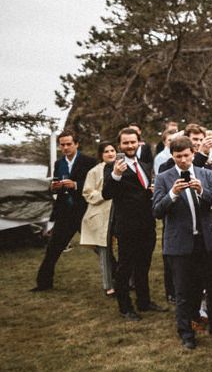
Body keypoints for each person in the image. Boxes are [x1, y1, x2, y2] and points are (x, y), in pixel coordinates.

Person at [152, 136, 212, 349]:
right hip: (180, 243)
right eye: (178, 156)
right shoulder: (163, 177)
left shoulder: (207, 174)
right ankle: (186, 334)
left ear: (193, 152)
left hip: (206, 241)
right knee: (183, 291)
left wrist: (202, 191)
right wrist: (172, 194)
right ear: (172, 156)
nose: (183, 160)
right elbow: (157, 211)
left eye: (186, 155)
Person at [102, 127, 163, 320]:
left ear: (139, 143)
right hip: (127, 226)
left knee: (143, 266)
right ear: (120, 145)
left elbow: (143, 191)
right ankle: (125, 307)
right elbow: (106, 194)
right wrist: (116, 175)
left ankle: (144, 302)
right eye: (125, 143)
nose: (129, 146)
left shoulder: (145, 165)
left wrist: (152, 192)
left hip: (147, 224)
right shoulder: (112, 167)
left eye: (133, 142)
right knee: (125, 268)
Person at [33, 130, 96, 292]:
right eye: (62, 145)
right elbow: (56, 185)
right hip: (64, 214)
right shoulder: (58, 164)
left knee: (100, 248)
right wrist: (54, 188)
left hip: (84, 212)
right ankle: (43, 283)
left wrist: (75, 185)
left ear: (76, 144)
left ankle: (120, 279)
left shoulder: (89, 161)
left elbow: (96, 185)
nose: (66, 147)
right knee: (53, 249)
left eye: (69, 144)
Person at [80, 141, 117, 297]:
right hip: (101, 214)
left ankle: (129, 281)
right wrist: (104, 195)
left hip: (120, 213)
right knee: (104, 250)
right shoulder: (94, 172)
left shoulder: (122, 168)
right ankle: (108, 285)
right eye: (106, 151)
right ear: (101, 154)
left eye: (112, 150)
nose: (110, 154)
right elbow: (88, 193)